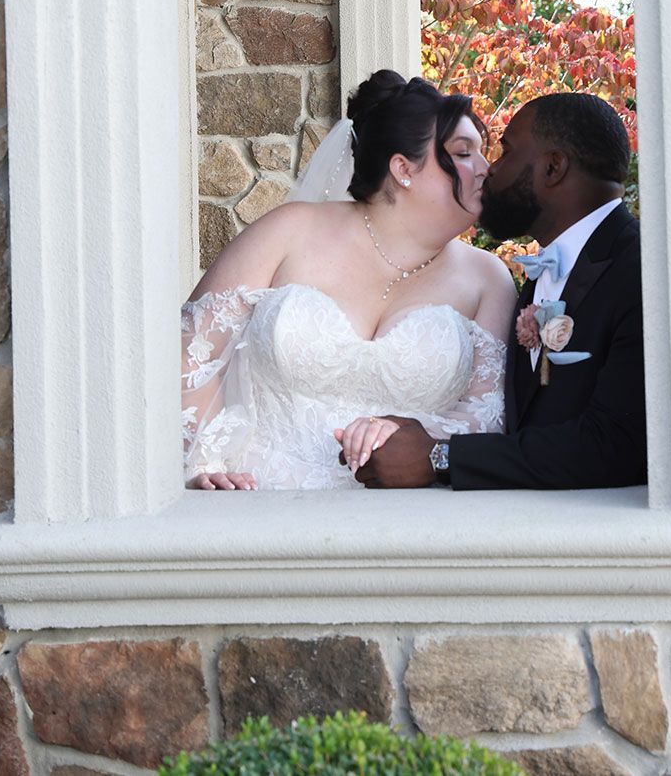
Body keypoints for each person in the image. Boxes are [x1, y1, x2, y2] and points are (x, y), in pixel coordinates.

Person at [181, 70, 516, 490]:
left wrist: (418, 437)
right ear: (403, 169)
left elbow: (486, 416)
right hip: (257, 500)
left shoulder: (489, 279)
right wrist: (205, 465)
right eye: (464, 153)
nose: (487, 169)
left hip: (408, 520)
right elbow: (190, 354)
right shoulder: (287, 232)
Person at [345, 93, 646, 490]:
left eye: (505, 152)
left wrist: (441, 457)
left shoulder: (639, 269)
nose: (491, 171)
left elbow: (617, 444)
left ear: (553, 168)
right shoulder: (538, 280)